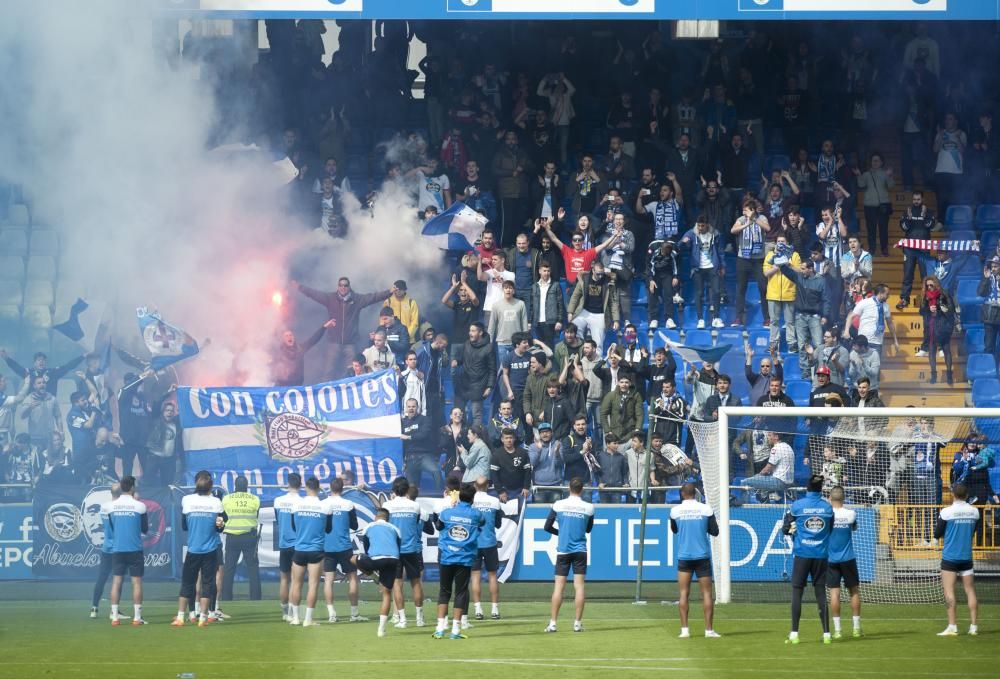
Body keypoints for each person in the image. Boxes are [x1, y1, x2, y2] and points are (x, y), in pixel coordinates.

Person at [292, 277, 392, 379]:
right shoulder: (330, 298)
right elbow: (314, 294)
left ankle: (350, 392)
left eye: (345, 285)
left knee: (352, 371)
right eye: (341, 285)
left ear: (349, 287)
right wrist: (300, 287)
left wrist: (389, 292)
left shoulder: (357, 299)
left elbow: (374, 297)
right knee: (328, 371)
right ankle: (326, 392)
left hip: (350, 344)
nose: (343, 287)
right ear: (338, 286)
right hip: (334, 342)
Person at [782, 474, 834, 644]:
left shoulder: (797, 506)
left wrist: (792, 530)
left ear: (807, 488)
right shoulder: (827, 508)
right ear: (821, 489)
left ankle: (794, 634)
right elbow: (830, 529)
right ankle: (827, 634)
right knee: (820, 593)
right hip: (820, 555)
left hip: (802, 554)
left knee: (797, 592)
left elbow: (785, 528)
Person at [172, 471, 226, 627]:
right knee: (208, 584)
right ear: (210, 488)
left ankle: (181, 617)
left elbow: (184, 525)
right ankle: (203, 617)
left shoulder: (187, 500)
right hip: (210, 550)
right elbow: (220, 526)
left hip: (193, 549)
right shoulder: (216, 503)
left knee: (187, 583)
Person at [433, 482, 485, 639]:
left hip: (447, 556)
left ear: (458, 496)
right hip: (465, 558)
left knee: (444, 591)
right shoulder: (476, 514)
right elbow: (482, 523)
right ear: (473, 498)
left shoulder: (447, 512)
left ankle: (440, 628)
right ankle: (455, 630)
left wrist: (453, 505)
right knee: (461, 592)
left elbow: (439, 526)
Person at [670, 482, 721, 639]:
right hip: (702, 556)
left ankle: (685, 630)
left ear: (682, 494)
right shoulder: (706, 509)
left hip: (684, 557)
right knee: (706, 593)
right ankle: (709, 630)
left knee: (684, 593)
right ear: (695, 493)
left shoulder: (675, 511)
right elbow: (715, 531)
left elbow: (674, 530)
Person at [544, 477, 595, 633]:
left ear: (568, 488)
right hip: (580, 550)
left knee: (558, 587)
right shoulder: (589, 507)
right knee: (579, 587)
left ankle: (553, 623)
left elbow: (547, 527)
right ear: (582, 489)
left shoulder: (558, 505)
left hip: (563, 550)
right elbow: (588, 529)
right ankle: (577, 624)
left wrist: (560, 533)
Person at [934, 483, 980, 636]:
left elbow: (937, 533)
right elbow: (973, 531)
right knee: (970, 590)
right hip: (966, 556)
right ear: (966, 495)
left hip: (950, 557)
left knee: (949, 591)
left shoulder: (946, 512)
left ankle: (952, 626)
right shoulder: (975, 512)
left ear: (953, 494)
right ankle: (974, 626)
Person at [383, 477, 428, 629]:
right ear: (406, 489)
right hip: (411, 549)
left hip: (395, 550)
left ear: (395, 490)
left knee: (397, 584)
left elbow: (386, 527)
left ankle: (401, 619)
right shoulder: (415, 506)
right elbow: (415, 525)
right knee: (416, 583)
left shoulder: (387, 505)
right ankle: (419, 618)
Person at [287, 477, 332, 627]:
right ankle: (307, 619)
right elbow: (329, 529)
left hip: (299, 549)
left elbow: (294, 527)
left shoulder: (296, 505)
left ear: (305, 487)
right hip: (316, 551)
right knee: (313, 585)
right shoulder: (325, 507)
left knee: (296, 584)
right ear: (319, 489)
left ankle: (295, 618)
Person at [321, 477, 365, 623]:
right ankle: (354, 614)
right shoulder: (348, 504)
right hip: (345, 547)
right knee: (352, 578)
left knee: (328, 580)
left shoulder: (323, 504)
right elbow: (354, 526)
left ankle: (331, 614)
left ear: (330, 488)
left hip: (328, 547)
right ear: (342, 488)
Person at [354, 508, 402, 638]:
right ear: (387, 518)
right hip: (393, 560)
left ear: (376, 517)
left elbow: (366, 547)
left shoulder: (369, 526)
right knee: (386, 594)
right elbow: (398, 546)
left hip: (376, 560)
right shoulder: (395, 528)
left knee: (354, 558)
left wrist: (371, 565)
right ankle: (381, 630)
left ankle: (373, 576)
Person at [108, 475, 148, 626]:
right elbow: (144, 529)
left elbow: (113, 527)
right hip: (134, 549)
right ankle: (137, 618)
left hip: (118, 548)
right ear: (132, 488)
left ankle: (115, 618)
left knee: (116, 581)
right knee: (136, 582)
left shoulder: (111, 506)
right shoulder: (140, 506)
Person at [827, 486, 863, 640]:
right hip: (848, 558)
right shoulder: (851, 514)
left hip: (831, 559)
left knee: (834, 593)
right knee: (854, 591)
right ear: (843, 498)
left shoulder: (827, 515)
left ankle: (838, 630)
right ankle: (856, 628)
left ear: (830, 498)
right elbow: (854, 528)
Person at [220, 475, 261, 602]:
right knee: (253, 569)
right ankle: (255, 598)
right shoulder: (255, 499)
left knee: (229, 569)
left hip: (232, 537)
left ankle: (226, 598)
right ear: (247, 486)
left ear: (235, 486)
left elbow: (223, 516)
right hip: (249, 537)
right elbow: (256, 515)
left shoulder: (226, 499)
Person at [470, 476, 504, 621]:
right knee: (492, 576)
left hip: (474, 543)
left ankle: (478, 610)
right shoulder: (495, 501)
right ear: (488, 486)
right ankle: (494, 610)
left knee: (475, 577)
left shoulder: (470, 502)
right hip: (489, 543)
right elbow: (498, 524)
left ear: (475, 486)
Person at [452, 322, 496, 427]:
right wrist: (457, 362)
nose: (470, 333)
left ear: (480, 332)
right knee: (458, 411)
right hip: (464, 383)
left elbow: (492, 370)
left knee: (476, 413)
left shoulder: (489, 348)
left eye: (473, 331)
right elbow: (463, 359)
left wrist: (489, 387)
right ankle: (462, 435)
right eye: (469, 331)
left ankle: (476, 437)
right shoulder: (467, 344)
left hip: (478, 384)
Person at [271, 320, 336, 386]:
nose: (289, 337)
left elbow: (313, 339)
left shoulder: (300, 349)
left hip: (298, 386)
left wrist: (324, 327)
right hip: (283, 387)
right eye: (286, 336)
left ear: (294, 337)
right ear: (283, 340)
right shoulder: (279, 352)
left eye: (291, 335)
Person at [89, 483, 120, 620]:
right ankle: (114, 611)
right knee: (117, 580)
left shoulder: (104, 507)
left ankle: (94, 608)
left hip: (106, 547)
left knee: (102, 578)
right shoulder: (117, 508)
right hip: (117, 548)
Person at [273, 473, 301, 622]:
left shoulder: (278, 501)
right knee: (296, 580)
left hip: (284, 544)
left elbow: (278, 520)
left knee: (284, 579)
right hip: (297, 544)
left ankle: (285, 611)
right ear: (300, 485)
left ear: (288, 484)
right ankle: (291, 612)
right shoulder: (301, 502)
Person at [919, 275, 956, 384]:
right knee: (932, 351)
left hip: (942, 325)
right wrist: (928, 308)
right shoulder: (924, 296)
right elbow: (921, 311)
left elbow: (951, 310)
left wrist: (940, 309)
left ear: (936, 284)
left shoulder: (944, 294)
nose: (929, 287)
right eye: (927, 285)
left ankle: (949, 375)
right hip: (930, 325)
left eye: (931, 285)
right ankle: (933, 375)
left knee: (946, 349)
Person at [743, 431, 794, 500]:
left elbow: (767, 468)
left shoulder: (776, 448)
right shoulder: (788, 447)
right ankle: (768, 495)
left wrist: (756, 477)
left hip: (779, 482)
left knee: (745, 481)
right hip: (789, 482)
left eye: (770, 435)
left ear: (776, 437)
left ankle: (740, 504)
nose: (768, 438)